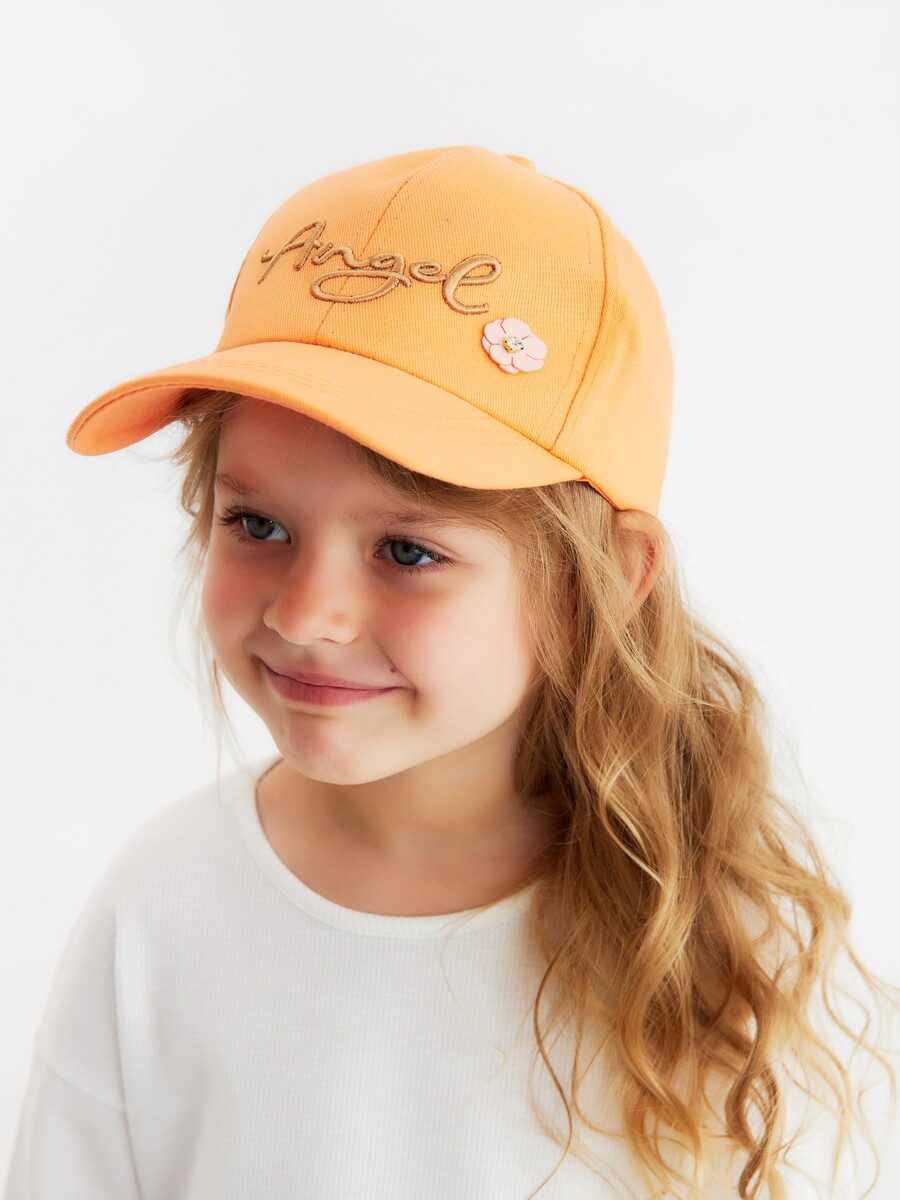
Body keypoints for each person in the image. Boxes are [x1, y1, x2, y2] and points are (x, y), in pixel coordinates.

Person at [3, 145, 896, 1200]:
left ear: (603, 584)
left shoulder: (715, 949)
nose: (305, 614)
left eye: (407, 550)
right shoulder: (160, 908)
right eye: (257, 525)